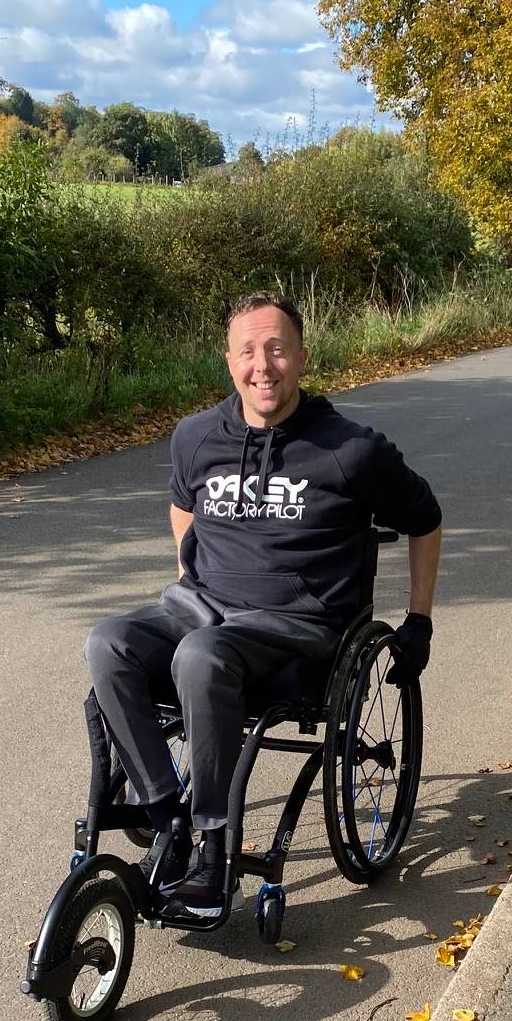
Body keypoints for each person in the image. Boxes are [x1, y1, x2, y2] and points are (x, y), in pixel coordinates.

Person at [85, 290, 443, 912]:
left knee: (200, 656)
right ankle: (166, 817)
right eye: (248, 351)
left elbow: (425, 518)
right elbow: (181, 504)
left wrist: (418, 620)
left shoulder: (350, 450)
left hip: (299, 627)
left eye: (276, 349)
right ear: (229, 362)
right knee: (108, 643)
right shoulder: (197, 436)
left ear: (301, 357)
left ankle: (214, 847)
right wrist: (188, 574)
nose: (263, 365)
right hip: (203, 609)